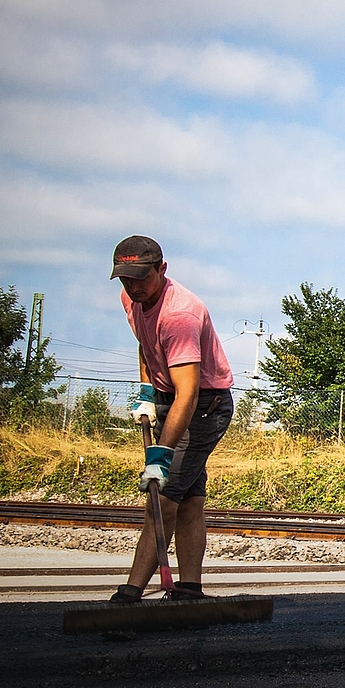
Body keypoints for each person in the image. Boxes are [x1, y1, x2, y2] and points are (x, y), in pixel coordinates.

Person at [109, 235, 235, 603]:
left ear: (161, 270)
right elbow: (146, 344)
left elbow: (189, 394)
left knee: (162, 500)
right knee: (190, 499)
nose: (133, 287)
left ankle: (130, 594)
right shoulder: (132, 297)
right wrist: (147, 392)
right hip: (169, 399)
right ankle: (190, 590)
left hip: (202, 407)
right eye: (125, 279)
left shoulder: (179, 315)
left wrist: (160, 456)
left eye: (141, 279)